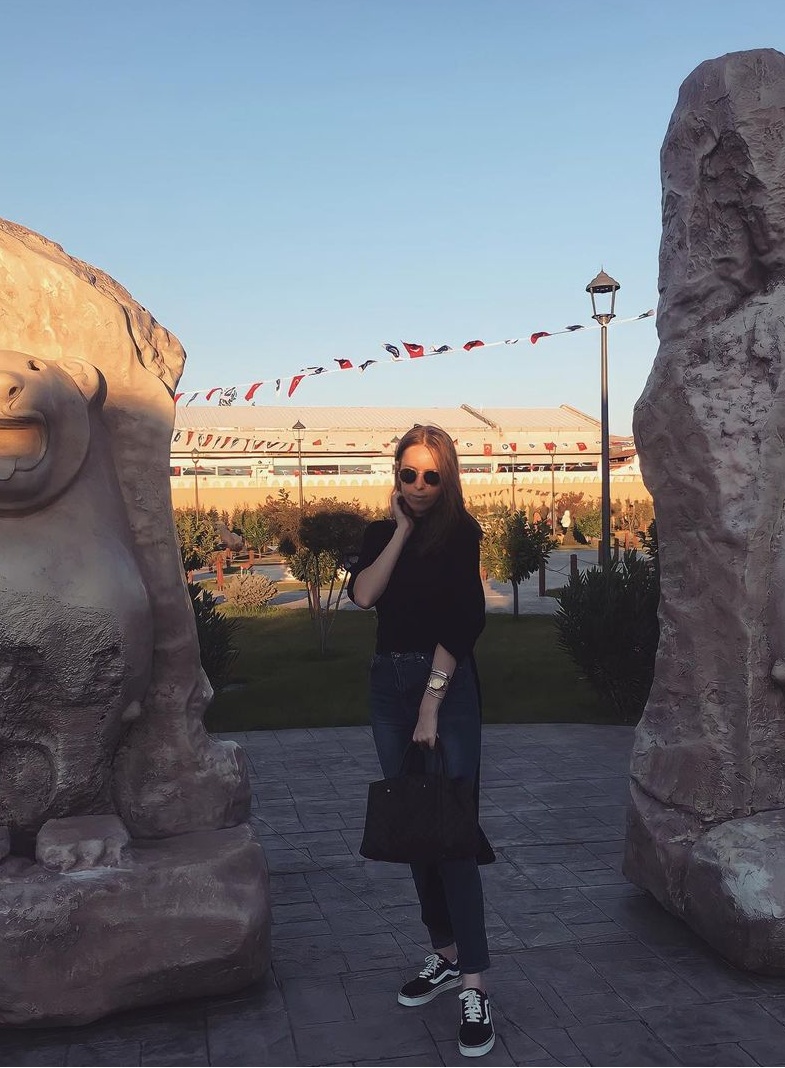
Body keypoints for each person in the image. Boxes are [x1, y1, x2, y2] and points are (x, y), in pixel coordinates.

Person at [348, 424, 495, 1059]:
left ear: (448, 477)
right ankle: (445, 953)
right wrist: (400, 532)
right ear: (396, 475)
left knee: (453, 834)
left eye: (432, 476)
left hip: (446, 688)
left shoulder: (462, 534)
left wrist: (432, 702)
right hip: (388, 686)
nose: (419, 486)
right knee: (415, 830)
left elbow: (466, 619)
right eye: (409, 474)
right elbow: (363, 595)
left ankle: (474, 986)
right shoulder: (380, 534)